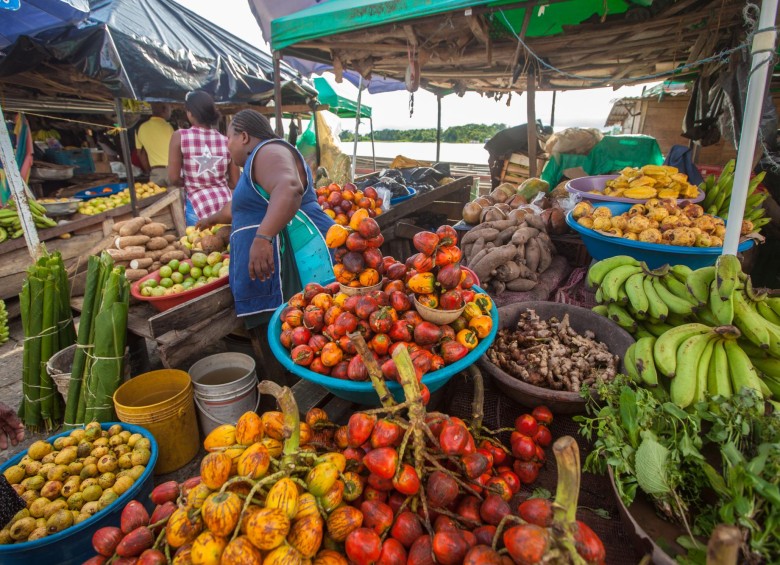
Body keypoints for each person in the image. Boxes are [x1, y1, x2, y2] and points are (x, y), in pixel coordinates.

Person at [196, 109, 334, 329]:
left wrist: (262, 238)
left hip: (300, 258)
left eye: (229, 138)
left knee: (305, 335)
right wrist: (211, 219)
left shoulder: (267, 150)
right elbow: (240, 208)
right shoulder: (256, 163)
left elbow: (289, 188)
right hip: (292, 259)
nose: (227, 146)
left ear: (244, 137)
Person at [168, 91, 239, 226]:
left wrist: (192, 183)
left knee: (197, 244)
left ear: (190, 113)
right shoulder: (226, 141)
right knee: (226, 244)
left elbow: (173, 178)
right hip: (225, 205)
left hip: (196, 205)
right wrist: (218, 182)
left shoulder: (180, 136)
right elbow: (235, 182)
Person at [484, 121, 552, 188]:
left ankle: (495, 182)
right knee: (495, 169)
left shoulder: (533, 129)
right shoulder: (533, 131)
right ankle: (495, 181)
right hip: (499, 145)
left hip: (499, 144)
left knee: (496, 169)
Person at [136, 103, 174, 187]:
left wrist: (149, 171)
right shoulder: (169, 127)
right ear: (164, 110)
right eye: (170, 108)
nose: (171, 111)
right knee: (177, 198)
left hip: (156, 172)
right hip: (173, 170)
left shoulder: (140, 128)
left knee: (158, 198)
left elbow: (140, 153)